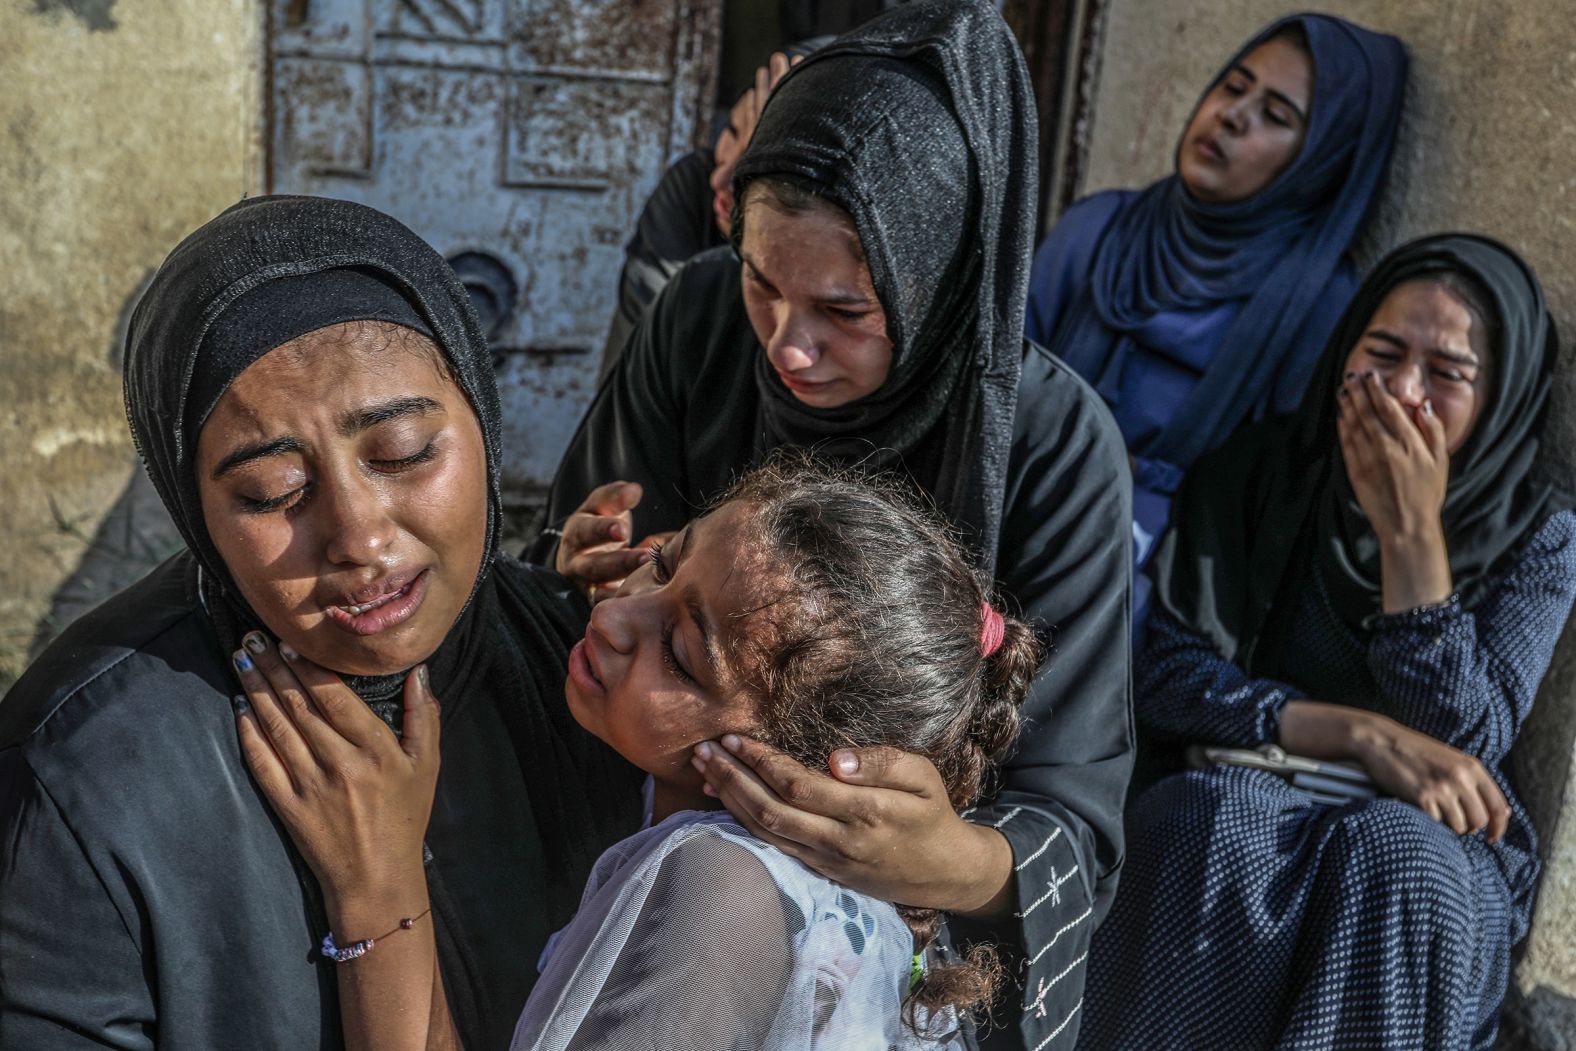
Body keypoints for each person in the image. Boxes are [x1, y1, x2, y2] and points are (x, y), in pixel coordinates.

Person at [532, 2, 1132, 1045]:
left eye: (844, 311)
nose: (787, 346)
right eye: (763, 283)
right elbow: (590, 573)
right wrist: (582, 570)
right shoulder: (699, 319)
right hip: (625, 812)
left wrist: (934, 855)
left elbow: (1071, 820)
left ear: (940, 276)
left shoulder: (1056, 446)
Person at [0, 195, 644, 1050]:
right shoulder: (80, 782)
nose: (359, 536)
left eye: (404, 450)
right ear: (194, 508)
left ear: (482, 419)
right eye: (272, 492)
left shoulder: (586, 668)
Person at [233, 457, 1045, 1049]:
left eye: (682, 654)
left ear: (788, 773)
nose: (619, 616)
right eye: (663, 562)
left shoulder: (721, 893)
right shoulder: (839, 897)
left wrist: (378, 885)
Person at [1078, 234, 1576, 1049]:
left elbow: (1469, 740)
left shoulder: (1540, 537)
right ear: (1344, 354)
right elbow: (1169, 675)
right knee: (1209, 824)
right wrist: (1357, 733)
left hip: (1432, 832)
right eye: (1382, 353)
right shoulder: (1259, 472)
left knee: (1398, 861)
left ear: (1502, 395)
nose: (1404, 392)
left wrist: (1409, 534)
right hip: (1255, 778)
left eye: (1446, 373)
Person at [1025, 14, 1407, 627]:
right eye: (1234, 86)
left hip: (1175, 569)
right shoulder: (1102, 230)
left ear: (1321, 161)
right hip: (1035, 491)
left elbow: (1274, 503)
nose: (1233, 115)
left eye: (1277, 116)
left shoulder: (1316, 306)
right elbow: (1002, 384)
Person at [597, 48, 807, 380]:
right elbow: (644, 372)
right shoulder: (695, 187)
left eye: (762, 158)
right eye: (734, 132)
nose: (721, 178)